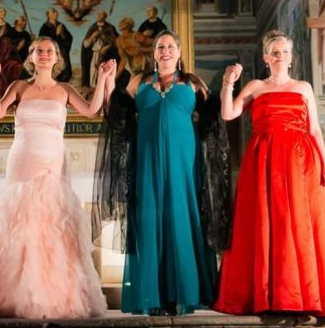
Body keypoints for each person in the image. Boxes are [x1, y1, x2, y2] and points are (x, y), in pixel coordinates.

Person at [214, 30, 325, 316]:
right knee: (270, 222)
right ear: (266, 57)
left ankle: (305, 295)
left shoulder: (304, 87)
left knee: (302, 224)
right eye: (275, 52)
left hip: (301, 161)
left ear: (291, 58)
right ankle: (272, 295)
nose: (281, 56)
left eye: (285, 52)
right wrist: (228, 84)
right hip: (264, 160)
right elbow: (228, 114)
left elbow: (314, 129)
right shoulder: (256, 86)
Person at [0, 37, 112, 319]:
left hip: (53, 160)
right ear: (31, 57)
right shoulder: (19, 87)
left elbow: (91, 111)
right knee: (21, 221)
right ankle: (14, 295)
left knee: (52, 221)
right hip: (23, 158)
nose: (45, 54)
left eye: (50, 51)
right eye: (39, 51)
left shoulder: (65, 89)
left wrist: (104, 79)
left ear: (58, 57)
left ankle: (55, 295)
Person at [94, 30, 230, 316]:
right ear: (154, 53)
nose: (165, 50)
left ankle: (184, 294)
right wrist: (108, 80)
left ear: (179, 52)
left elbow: (213, 120)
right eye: (160, 46)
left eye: (170, 46)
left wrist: (228, 86)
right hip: (147, 160)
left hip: (184, 163)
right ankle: (152, 296)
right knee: (149, 219)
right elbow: (117, 115)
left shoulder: (193, 83)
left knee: (181, 217)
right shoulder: (139, 82)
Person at [81, 10, 118, 88]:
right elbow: (86, 45)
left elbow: (115, 41)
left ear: (105, 17)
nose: (98, 16)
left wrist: (107, 47)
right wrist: (93, 36)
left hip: (107, 54)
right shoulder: (93, 27)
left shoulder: (110, 27)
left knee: (104, 70)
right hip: (95, 53)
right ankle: (93, 87)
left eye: (100, 14)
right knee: (94, 70)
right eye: (98, 14)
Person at [38, 8, 73, 82]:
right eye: (53, 12)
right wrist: (56, 34)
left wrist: (63, 35)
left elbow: (69, 37)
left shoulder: (61, 25)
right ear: (48, 15)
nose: (56, 13)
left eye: (56, 12)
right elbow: (43, 41)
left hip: (62, 52)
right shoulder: (45, 27)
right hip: (51, 53)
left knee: (66, 71)